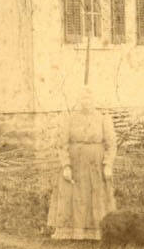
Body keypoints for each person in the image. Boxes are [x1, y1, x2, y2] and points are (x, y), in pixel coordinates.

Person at [47, 87, 116, 240]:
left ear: (94, 100)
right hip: (75, 163)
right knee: (73, 194)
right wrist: (66, 165)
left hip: (96, 164)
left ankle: (96, 231)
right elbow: (62, 144)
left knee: (96, 195)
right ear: (79, 101)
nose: (86, 102)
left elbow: (111, 144)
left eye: (89, 98)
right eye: (83, 99)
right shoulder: (70, 119)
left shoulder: (103, 119)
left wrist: (108, 164)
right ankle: (70, 232)